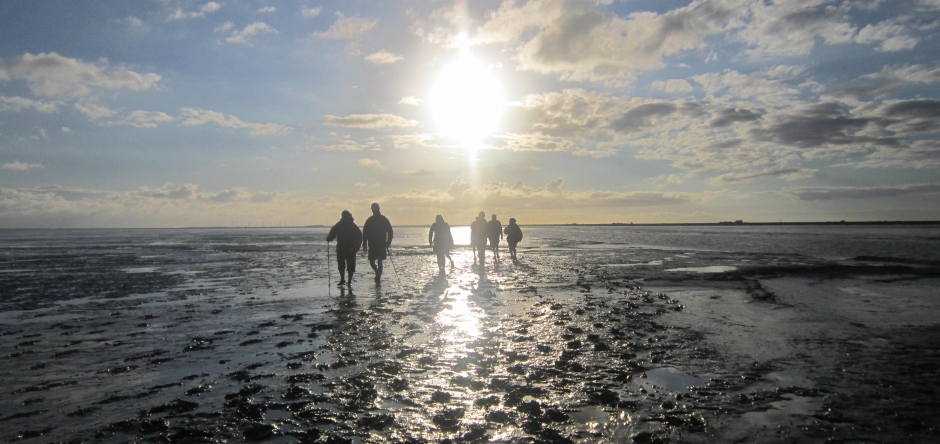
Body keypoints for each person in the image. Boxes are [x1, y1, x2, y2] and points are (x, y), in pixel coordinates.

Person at [326, 210, 362, 287]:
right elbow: (333, 232)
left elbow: (359, 236)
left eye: (346, 216)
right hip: (341, 247)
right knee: (341, 265)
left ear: (349, 216)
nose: (345, 218)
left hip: (351, 248)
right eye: (344, 216)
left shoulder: (352, 226)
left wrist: (357, 247)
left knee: (351, 266)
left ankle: (349, 281)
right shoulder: (340, 224)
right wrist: (329, 238)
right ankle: (342, 279)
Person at [362, 202, 393, 285]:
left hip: (381, 244)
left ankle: (378, 277)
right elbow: (365, 233)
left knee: (380, 261)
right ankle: (377, 273)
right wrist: (364, 244)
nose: (374, 211)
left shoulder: (383, 219)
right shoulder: (370, 220)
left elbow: (390, 231)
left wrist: (388, 242)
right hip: (372, 244)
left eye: (375, 209)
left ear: (378, 209)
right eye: (373, 209)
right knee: (372, 262)